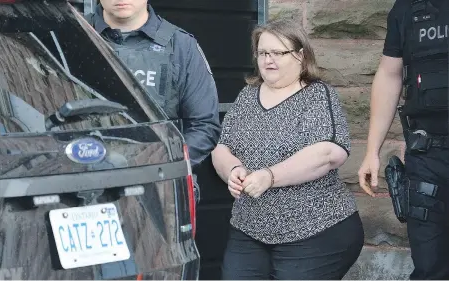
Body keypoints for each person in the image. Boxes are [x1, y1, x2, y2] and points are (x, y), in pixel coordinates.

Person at [211, 18, 364, 280]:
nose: (269, 60)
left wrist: (269, 176)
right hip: (250, 230)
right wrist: (233, 170)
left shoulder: (317, 95)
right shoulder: (248, 95)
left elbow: (329, 153)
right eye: (262, 53)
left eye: (278, 53)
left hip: (315, 231)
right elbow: (221, 148)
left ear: (300, 55)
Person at [357, 0, 449, 279]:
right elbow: (389, 74)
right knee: (430, 267)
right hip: (428, 156)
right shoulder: (408, 7)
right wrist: (372, 151)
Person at [83, 0, 221, 173]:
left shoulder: (181, 46)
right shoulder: (69, 35)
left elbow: (204, 126)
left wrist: (161, 161)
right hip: (84, 180)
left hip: (159, 184)